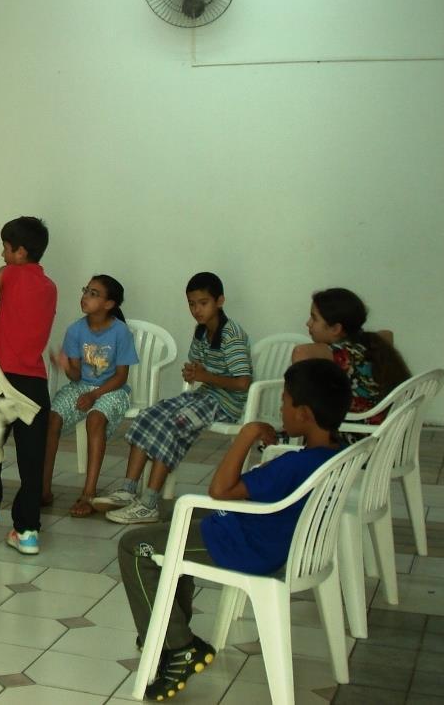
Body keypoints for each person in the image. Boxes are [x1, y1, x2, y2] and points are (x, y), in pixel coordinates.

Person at [116, 358, 351, 701]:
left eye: (284, 401)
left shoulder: (293, 465)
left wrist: (247, 434)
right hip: (268, 536)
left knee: (134, 547)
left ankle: (179, 647)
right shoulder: (333, 453)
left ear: (304, 414)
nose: (280, 408)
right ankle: (164, 630)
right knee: (174, 528)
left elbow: (221, 490)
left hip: (246, 545)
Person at [97, 272, 252, 525]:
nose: (197, 310)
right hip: (204, 396)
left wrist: (205, 376)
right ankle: (128, 490)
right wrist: (193, 373)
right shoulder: (201, 331)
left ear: (220, 301)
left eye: (203, 303)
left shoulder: (231, 335)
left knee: (172, 424)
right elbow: (199, 368)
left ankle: (149, 503)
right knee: (149, 416)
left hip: (224, 404)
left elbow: (243, 382)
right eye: (192, 304)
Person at [0, 217, 58, 555]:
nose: (1, 254)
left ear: (20, 252)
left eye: (5, 248)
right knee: (31, 462)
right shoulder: (50, 287)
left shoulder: (8, 273)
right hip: (35, 386)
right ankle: (27, 531)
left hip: (2, 381)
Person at [46, 275, 138, 518]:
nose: (85, 296)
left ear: (109, 304)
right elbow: (76, 376)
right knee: (52, 419)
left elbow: (121, 377)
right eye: (86, 290)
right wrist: (66, 365)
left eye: (93, 293)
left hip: (113, 389)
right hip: (81, 387)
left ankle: (89, 493)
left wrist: (95, 394)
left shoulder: (120, 332)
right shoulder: (75, 330)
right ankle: (43, 489)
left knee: (95, 419)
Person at [291, 287, 410, 424]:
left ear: (336, 328)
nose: (308, 323)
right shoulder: (367, 345)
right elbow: (387, 333)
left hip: (352, 431)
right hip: (379, 429)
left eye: (314, 318)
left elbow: (301, 352)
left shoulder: (346, 354)